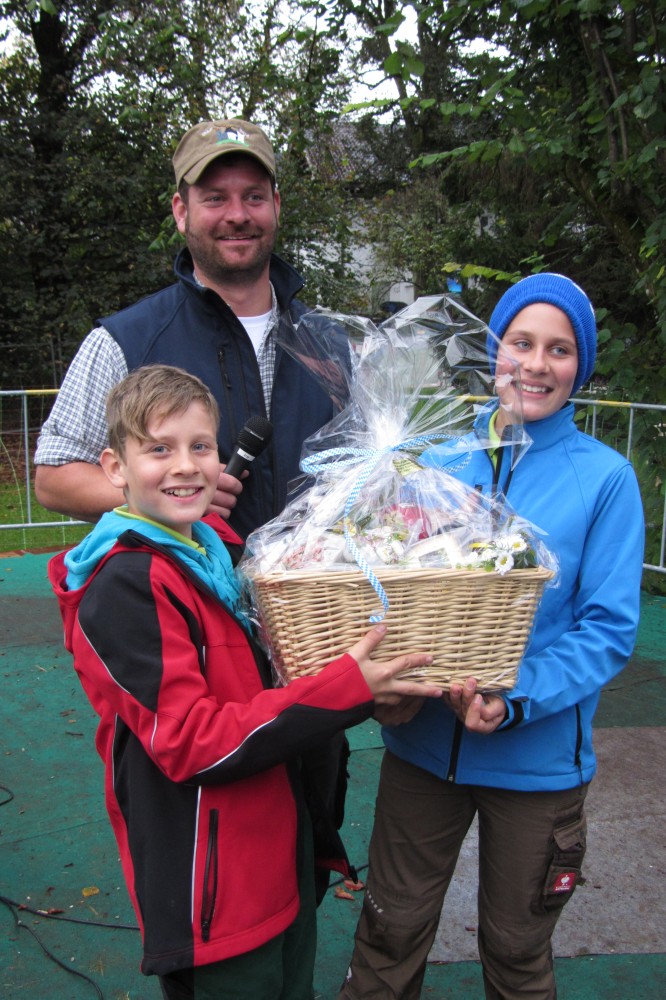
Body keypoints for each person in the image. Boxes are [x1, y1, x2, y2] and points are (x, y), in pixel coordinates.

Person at [48, 364, 443, 1000]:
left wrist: (369, 681)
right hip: (213, 884)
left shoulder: (218, 551)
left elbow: (279, 687)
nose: (185, 466)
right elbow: (191, 741)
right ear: (114, 468)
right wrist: (345, 688)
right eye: (159, 448)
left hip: (277, 851)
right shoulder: (127, 583)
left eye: (200, 445)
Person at [338, 273, 645, 1000]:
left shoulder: (604, 479)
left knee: (515, 951)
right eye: (521, 342)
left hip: (534, 764)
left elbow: (607, 630)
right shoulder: (434, 462)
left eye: (560, 349)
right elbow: (394, 589)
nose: (537, 364)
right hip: (421, 750)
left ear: (582, 366)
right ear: (493, 349)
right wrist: (391, 688)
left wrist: (516, 693)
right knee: (389, 933)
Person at [34, 117, 343, 542]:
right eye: (215, 199)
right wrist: (170, 493)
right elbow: (54, 477)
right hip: (183, 600)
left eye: (253, 197)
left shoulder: (331, 344)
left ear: (276, 205)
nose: (237, 215)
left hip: (316, 602)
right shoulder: (125, 342)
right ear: (182, 212)